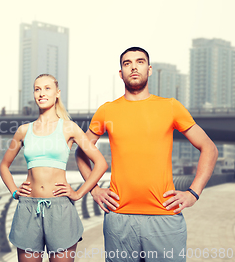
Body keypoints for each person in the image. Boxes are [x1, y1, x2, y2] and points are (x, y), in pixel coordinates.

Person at [75, 47, 218, 262]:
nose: (134, 66)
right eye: (127, 63)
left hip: (165, 218)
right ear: (120, 73)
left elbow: (209, 148)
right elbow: (81, 152)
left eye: (140, 62)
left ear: (149, 70)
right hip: (119, 218)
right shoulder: (106, 110)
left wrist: (193, 193)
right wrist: (94, 190)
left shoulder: (171, 106)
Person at [0, 74, 108, 262]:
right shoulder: (24, 130)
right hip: (27, 209)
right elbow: (4, 166)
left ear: (57, 93)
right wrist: (15, 191)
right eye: (37, 89)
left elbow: (101, 163)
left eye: (47, 88)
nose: (41, 93)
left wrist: (79, 193)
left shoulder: (69, 128)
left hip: (60, 210)